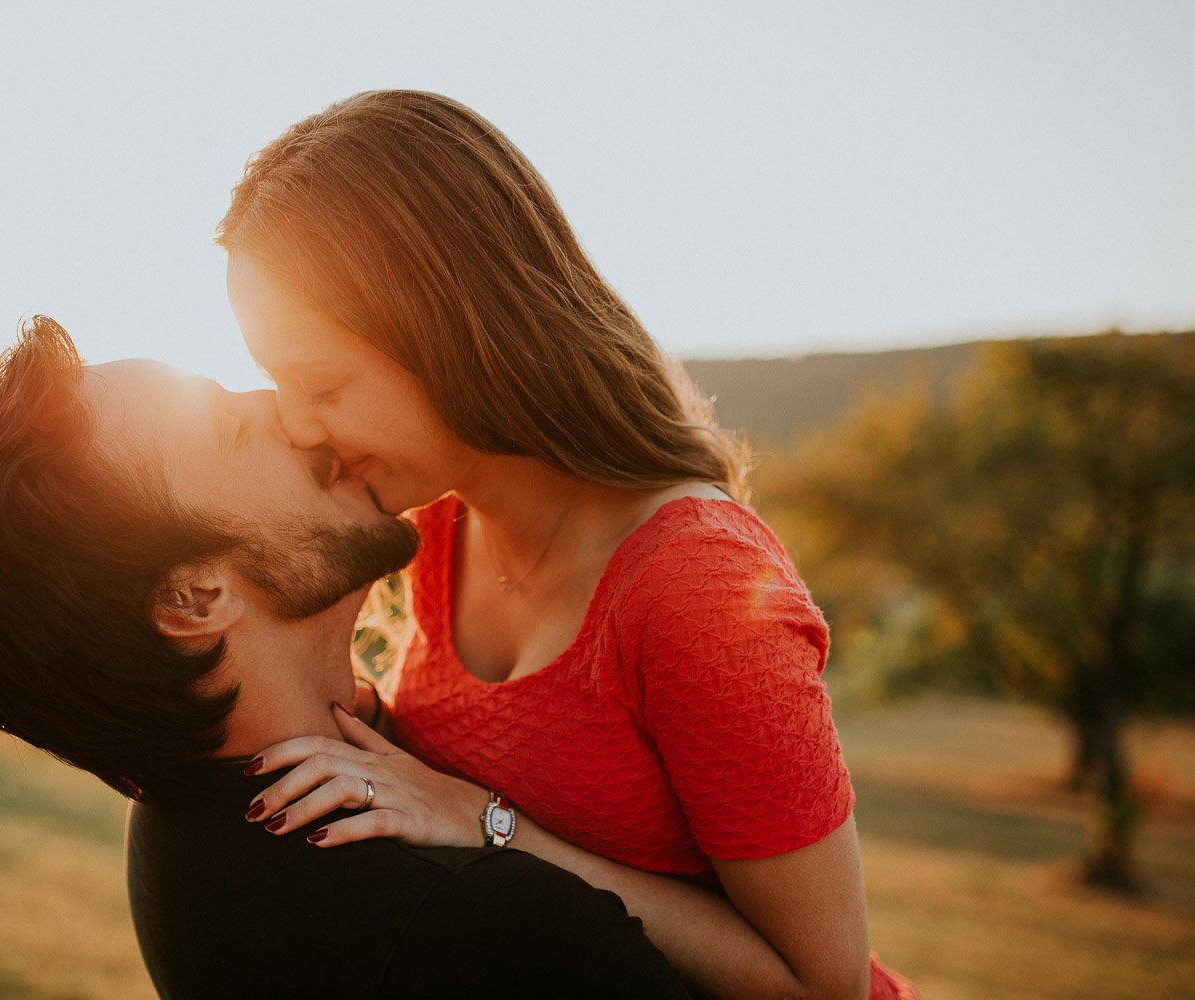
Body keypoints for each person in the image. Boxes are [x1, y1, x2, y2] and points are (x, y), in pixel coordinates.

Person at [218, 90, 919, 1000]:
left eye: (320, 382)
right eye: (274, 382)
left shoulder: (693, 588)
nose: (301, 427)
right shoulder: (428, 526)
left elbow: (824, 986)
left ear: (452, 330)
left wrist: (492, 825)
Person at [0, 317, 689, 1000]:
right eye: (232, 428)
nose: (289, 413)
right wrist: (500, 830)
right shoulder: (476, 918)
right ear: (192, 598)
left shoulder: (179, 827)